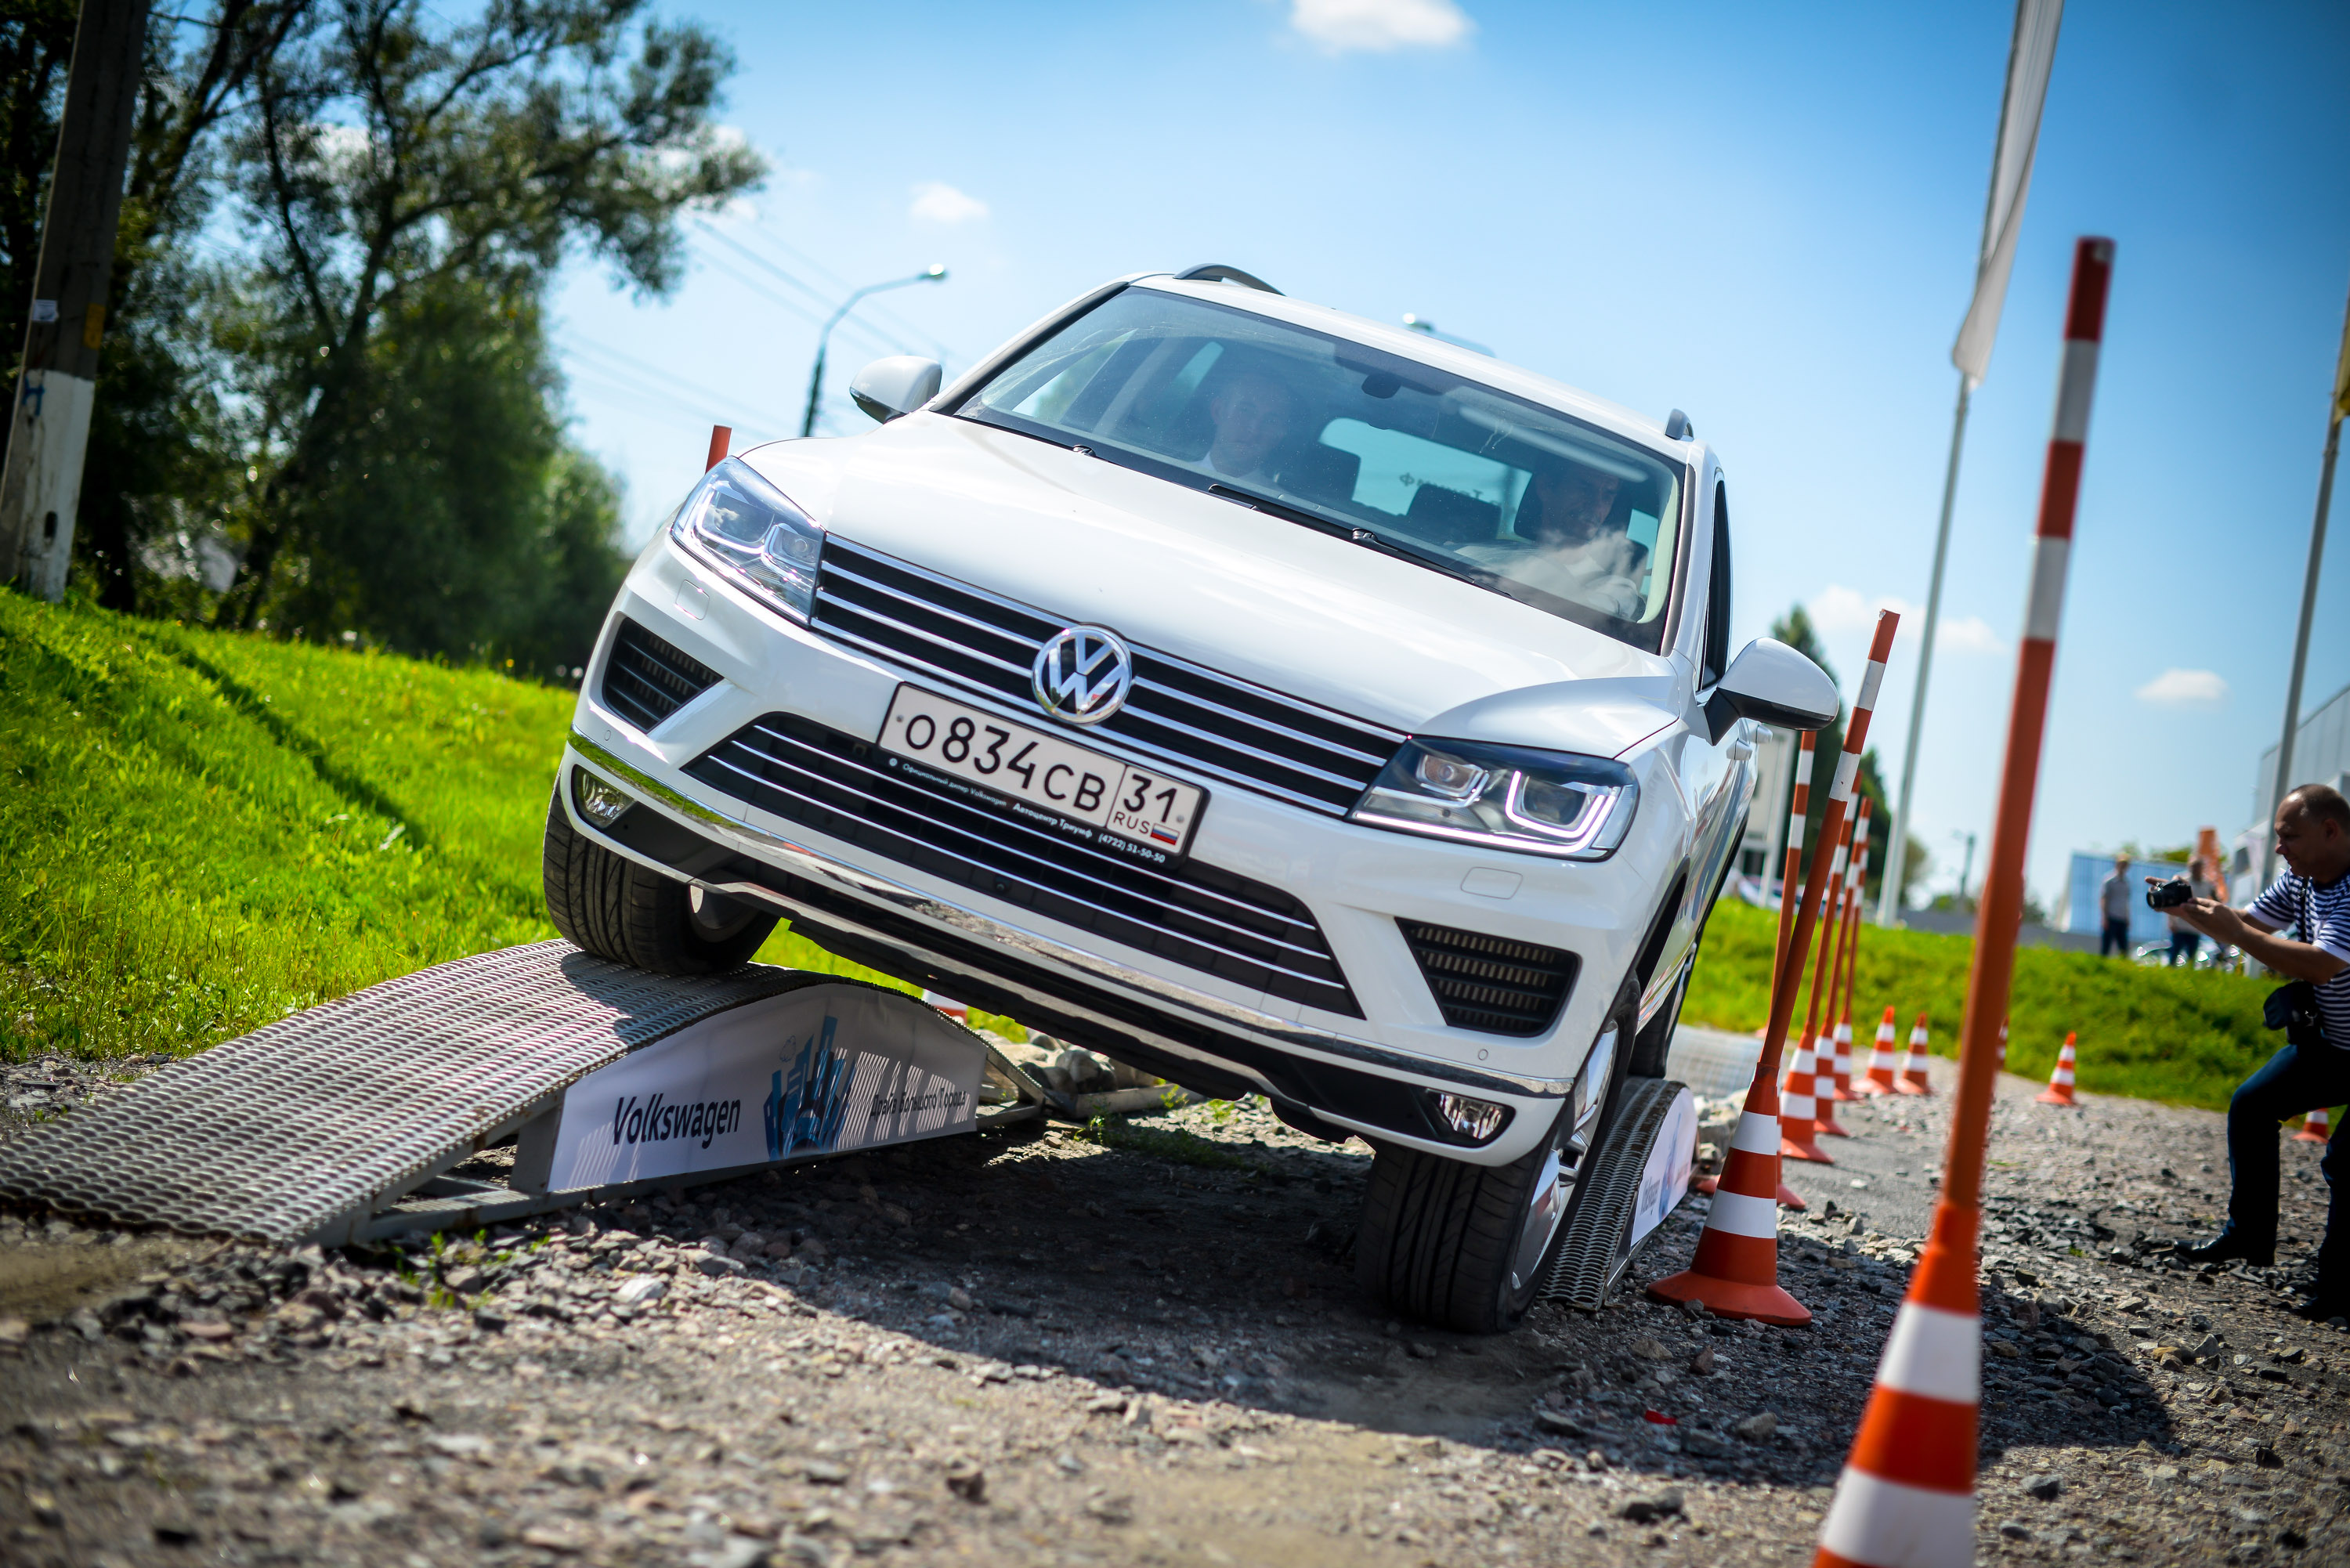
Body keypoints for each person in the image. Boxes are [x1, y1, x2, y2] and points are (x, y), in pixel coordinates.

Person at [2170, 783, 2350, 1322]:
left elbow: (2320, 964)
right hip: (2337, 1047)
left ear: (2331, 831)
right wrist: (2190, 908)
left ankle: (2339, 1288)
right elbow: (2245, 926)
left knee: (2348, 1161)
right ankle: (2248, 1236)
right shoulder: (2302, 879)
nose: (2279, 848)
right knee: (2252, 1104)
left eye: (2288, 836)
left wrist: (2234, 933)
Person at [1462, 460, 1647, 619]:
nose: (1596, 504)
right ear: (1546, 487)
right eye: (1585, 487)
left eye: (1608, 495)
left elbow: (1589, 618)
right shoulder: (1485, 555)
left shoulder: (1616, 589)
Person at [1202, 369, 1296, 483]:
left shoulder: (1282, 501)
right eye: (1245, 411)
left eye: (1271, 421)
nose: (1255, 429)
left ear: (1280, 434)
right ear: (1219, 411)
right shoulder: (1174, 479)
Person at [2167, 855, 2219, 966]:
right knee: (2173, 956)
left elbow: (2217, 902)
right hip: (2180, 925)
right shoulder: (2182, 881)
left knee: (2191, 958)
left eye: (2197, 866)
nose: (2195, 869)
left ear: (2202, 868)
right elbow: (2172, 901)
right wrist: (2171, 921)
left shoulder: (2208, 884)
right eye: (2193, 866)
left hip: (2196, 927)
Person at [2099, 854, 2133, 957]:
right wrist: (2104, 917)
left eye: (2125, 865)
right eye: (2121, 864)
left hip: (2122, 919)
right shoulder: (2109, 881)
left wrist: (2128, 918)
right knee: (2106, 948)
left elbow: (2126, 901)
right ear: (2117, 864)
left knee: (2124, 949)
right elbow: (2104, 899)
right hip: (2111, 917)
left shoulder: (2127, 883)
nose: (2123, 867)